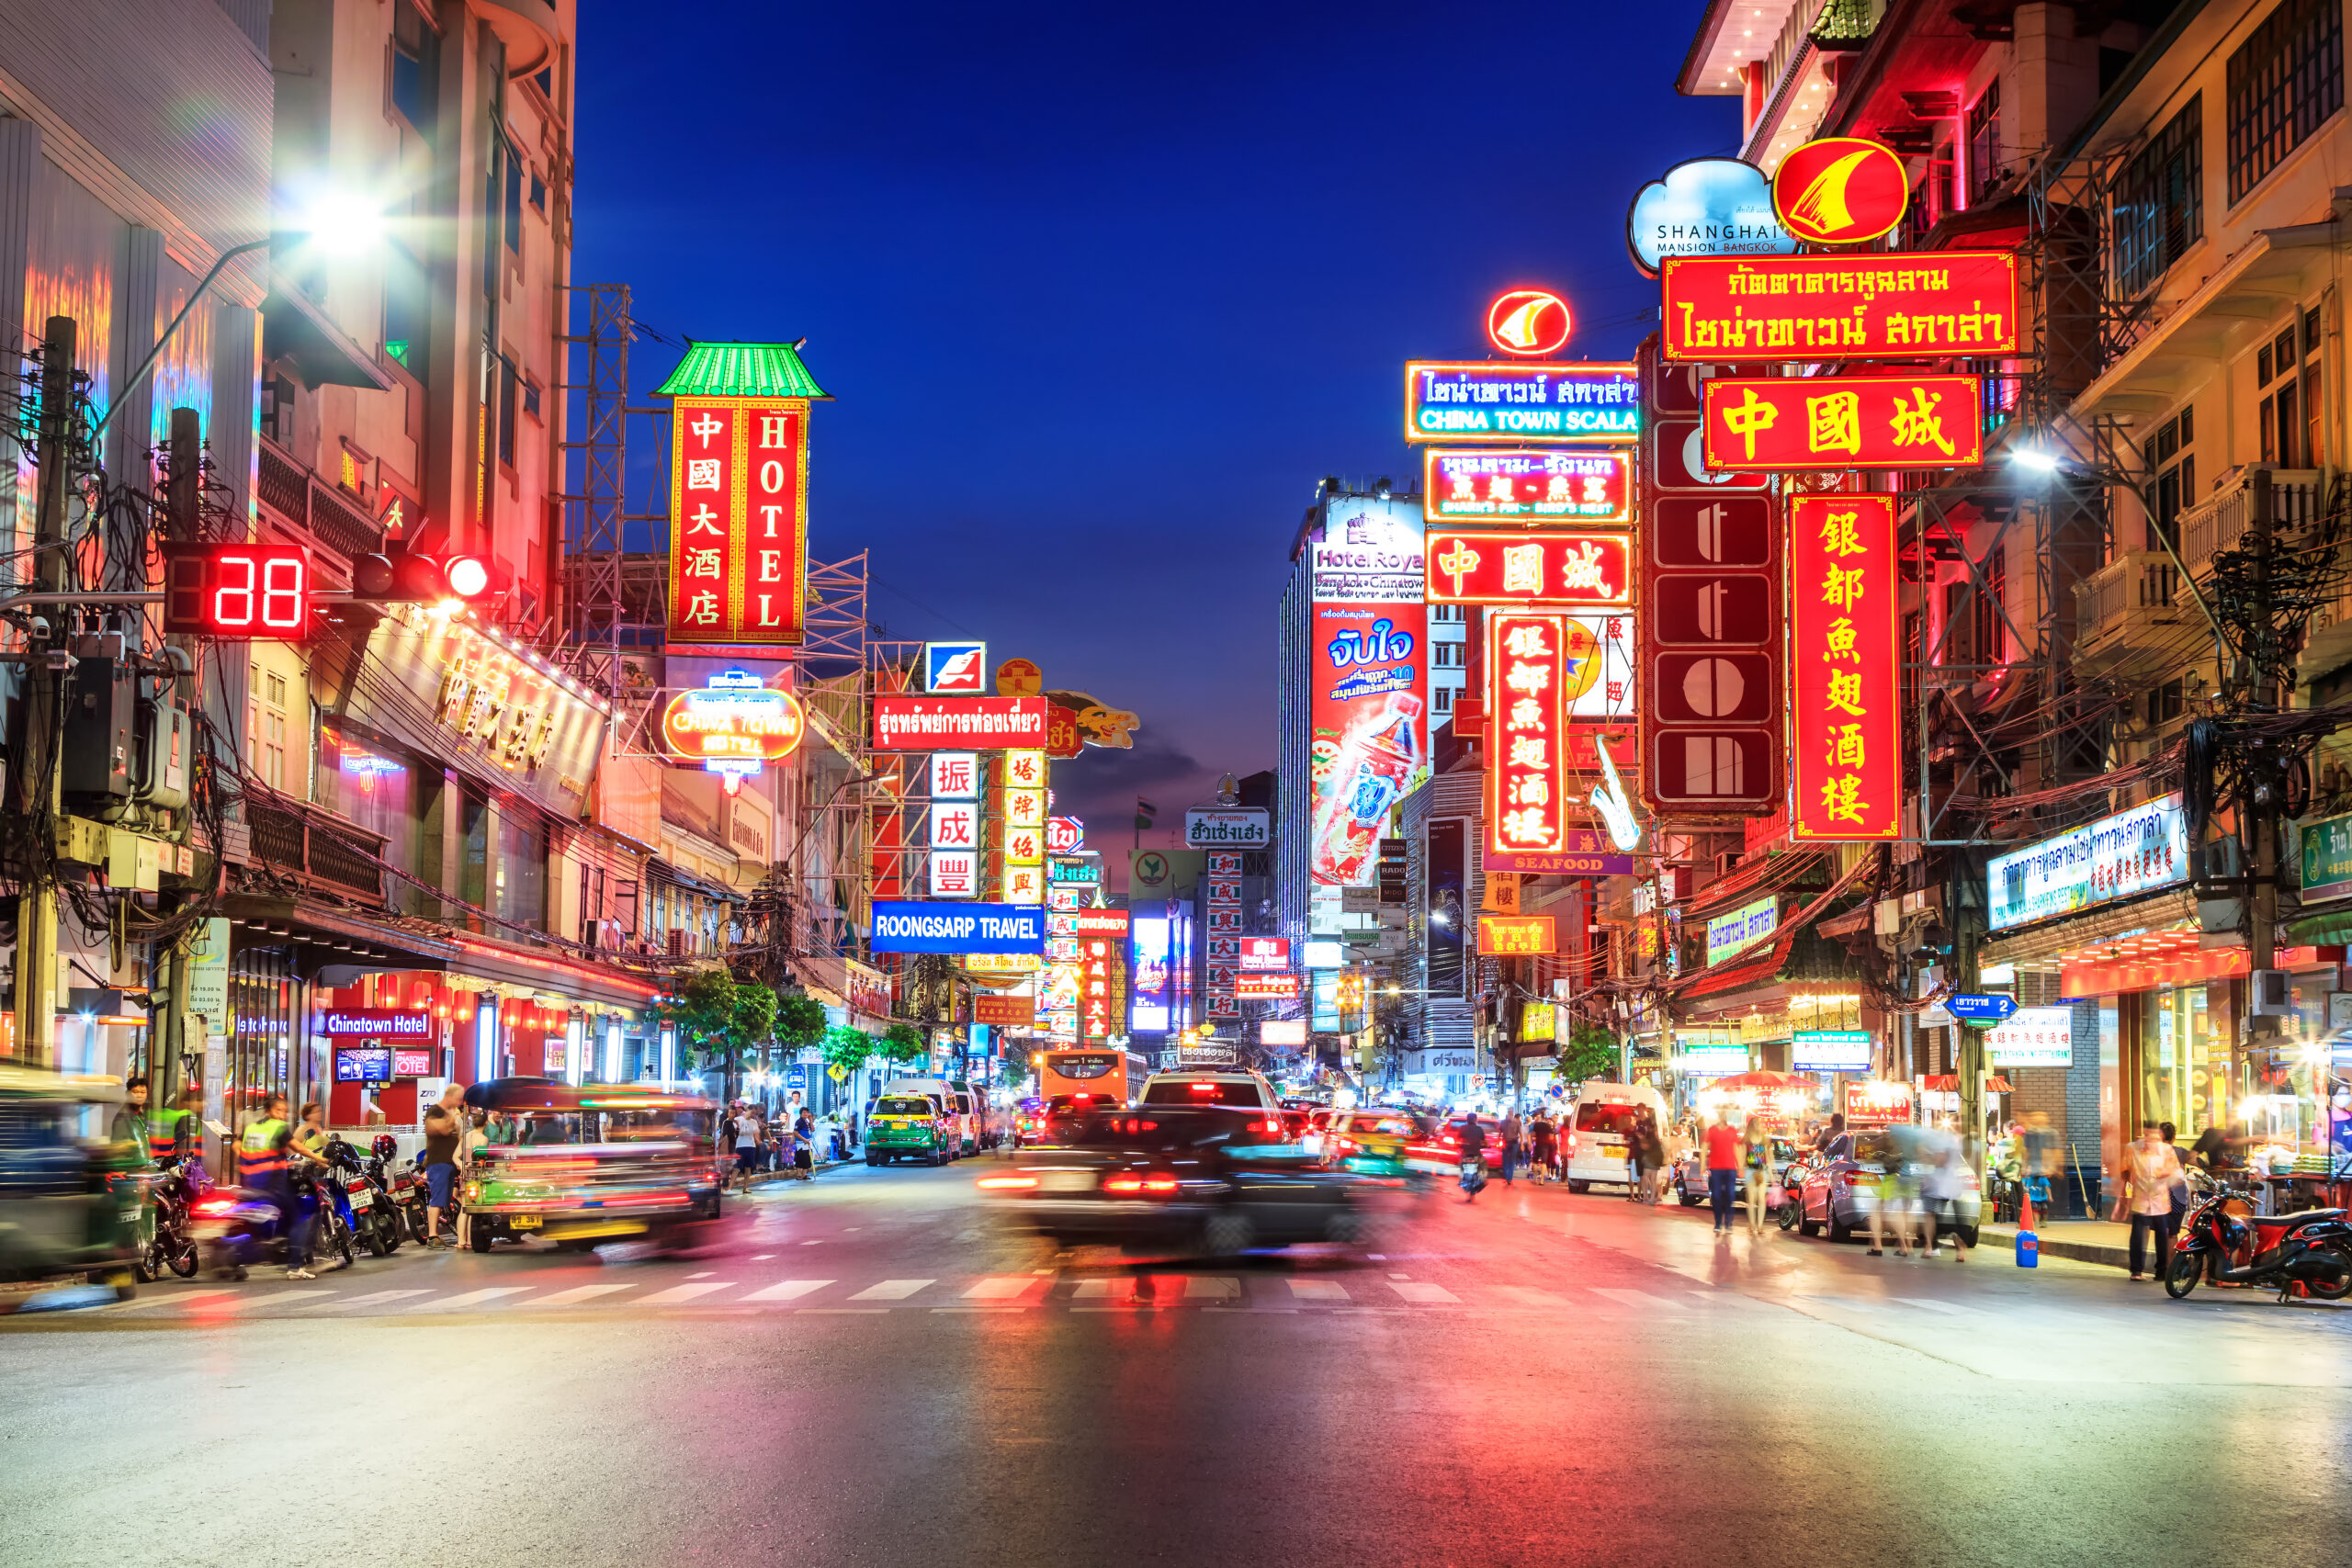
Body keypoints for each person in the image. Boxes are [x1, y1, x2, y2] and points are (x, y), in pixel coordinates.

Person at [237, 1095, 314, 1280]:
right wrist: (319, 1159)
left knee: (252, 1224)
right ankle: (295, 1267)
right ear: (268, 1111)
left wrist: (253, 1161)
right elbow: (298, 1148)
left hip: (249, 1183)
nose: (282, 1115)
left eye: (284, 1111)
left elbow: (237, 1146)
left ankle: (237, 1260)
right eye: (278, 1110)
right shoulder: (279, 1128)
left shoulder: (251, 1129)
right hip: (273, 1185)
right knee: (299, 1217)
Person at [2117, 1120, 2184, 1282]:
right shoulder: (2133, 1148)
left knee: (2162, 1233)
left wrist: (2166, 1175)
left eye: (2153, 1135)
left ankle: (2161, 1271)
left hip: (2160, 1197)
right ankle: (2136, 1270)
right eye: (2147, 1134)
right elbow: (2125, 1172)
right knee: (2138, 1234)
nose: (2150, 1138)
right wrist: (2126, 1193)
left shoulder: (2167, 1150)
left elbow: (2176, 1172)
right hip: (2140, 1197)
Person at [420, 1100, 460, 1247]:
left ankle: (463, 1237)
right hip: (441, 1164)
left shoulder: (454, 1122)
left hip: (450, 1164)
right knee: (436, 1200)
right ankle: (432, 1236)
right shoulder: (442, 1123)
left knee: (456, 1195)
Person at [1702, 1109, 1740, 1235]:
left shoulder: (1732, 1131)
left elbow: (1736, 1149)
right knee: (1717, 1196)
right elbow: (1704, 1148)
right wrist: (1703, 1165)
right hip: (1716, 1168)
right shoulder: (1712, 1131)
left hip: (1730, 1168)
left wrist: (1740, 1166)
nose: (1723, 1116)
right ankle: (1718, 1222)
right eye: (1721, 1113)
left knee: (1730, 1195)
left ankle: (1729, 1223)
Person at [1739, 1112, 1774, 1239]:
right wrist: (1740, 1168)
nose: (1760, 1126)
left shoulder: (1764, 1140)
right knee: (1752, 1199)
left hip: (1761, 1171)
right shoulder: (1746, 1140)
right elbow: (1742, 1155)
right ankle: (1753, 1225)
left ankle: (1758, 1226)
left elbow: (1768, 1158)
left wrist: (1771, 1174)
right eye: (1758, 1124)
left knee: (1760, 1199)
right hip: (1751, 1171)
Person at [729, 1103, 763, 1191]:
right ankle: (730, 1187)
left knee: (748, 1168)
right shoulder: (738, 1119)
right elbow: (734, 1132)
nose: (752, 1115)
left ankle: (745, 1188)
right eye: (751, 1112)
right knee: (737, 1167)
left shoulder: (754, 1122)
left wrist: (758, 1141)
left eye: (754, 1114)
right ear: (747, 1110)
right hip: (740, 1146)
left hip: (751, 1146)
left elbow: (756, 1133)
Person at [1456, 1113, 1488, 1201]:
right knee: (1484, 1164)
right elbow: (1485, 1142)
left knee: (1461, 1166)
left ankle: (1462, 1179)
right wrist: (1485, 1145)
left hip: (1465, 1154)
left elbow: (1458, 1140)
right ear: (1475, 1120)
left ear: (1467, 1120)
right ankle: (1484, 1179)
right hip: (1476, 1154)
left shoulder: (1462, 1128)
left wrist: (1461, 1146)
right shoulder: (1479, 1129)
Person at [1528, 1109, 1557, 1185]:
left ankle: (1535, 1179)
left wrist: (1534, 1139)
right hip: (1546, 1146)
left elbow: (1533, 1135)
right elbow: (1551, 1137)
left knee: (1535, 1162)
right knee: (1544, 1162)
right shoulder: (1548, 1125)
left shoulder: (1536, 1125)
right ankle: (1542, 1181)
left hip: (1538, 1145)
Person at [1499, 1110, 1524, 1187]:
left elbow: (1521, 1134)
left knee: (1512, 1161)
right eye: (1509, 1112)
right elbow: (1500, 1132)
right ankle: (1507, 1177)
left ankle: (1509, 1178)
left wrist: (1522, 1144)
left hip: (1514, 1142)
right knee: (1505, 1160)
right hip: (1505, 1142)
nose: (1510, 1113)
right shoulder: (1503, 1122)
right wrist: (1499, 1140)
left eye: (1511, 1112)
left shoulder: (1517, 1122)